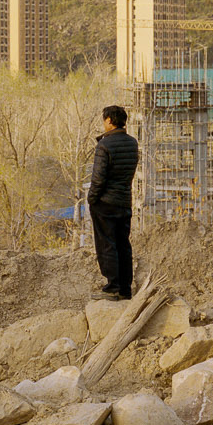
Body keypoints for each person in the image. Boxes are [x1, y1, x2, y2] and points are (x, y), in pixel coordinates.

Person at [87, 104, 139, 300]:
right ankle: (125, 289)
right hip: (124, 201)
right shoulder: (132, 143)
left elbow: (98, 178)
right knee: (123, 245)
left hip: (105, 203)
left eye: (104, 120)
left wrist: (92, 199)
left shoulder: (105, 145)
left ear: (109, 120)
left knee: (107, 245)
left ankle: (112, 288)